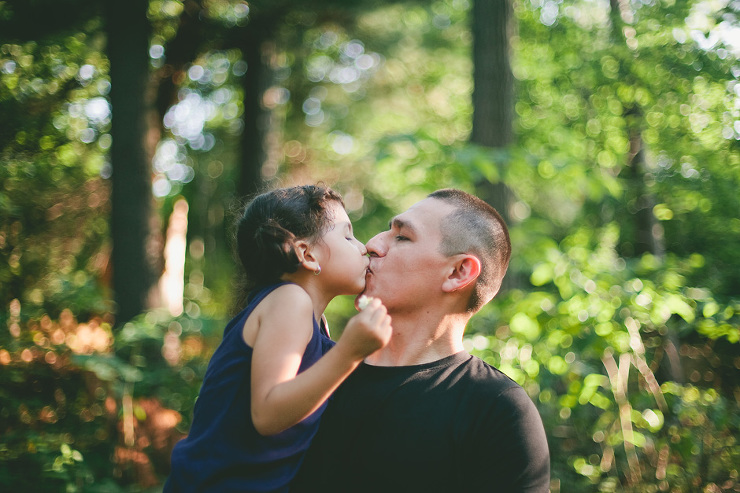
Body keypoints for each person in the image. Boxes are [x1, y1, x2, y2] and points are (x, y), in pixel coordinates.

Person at [292, 188, 550, 492]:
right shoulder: (313, 371)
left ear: (458, 272)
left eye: (402, 237)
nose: (372, 244)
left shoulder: (498, 410)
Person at [164, 185, 392, 493]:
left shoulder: (313, 322)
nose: (363, 246)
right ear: (306, 254)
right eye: (348, 236)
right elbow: (267, 414)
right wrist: (350, 353)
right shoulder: (290, 301)